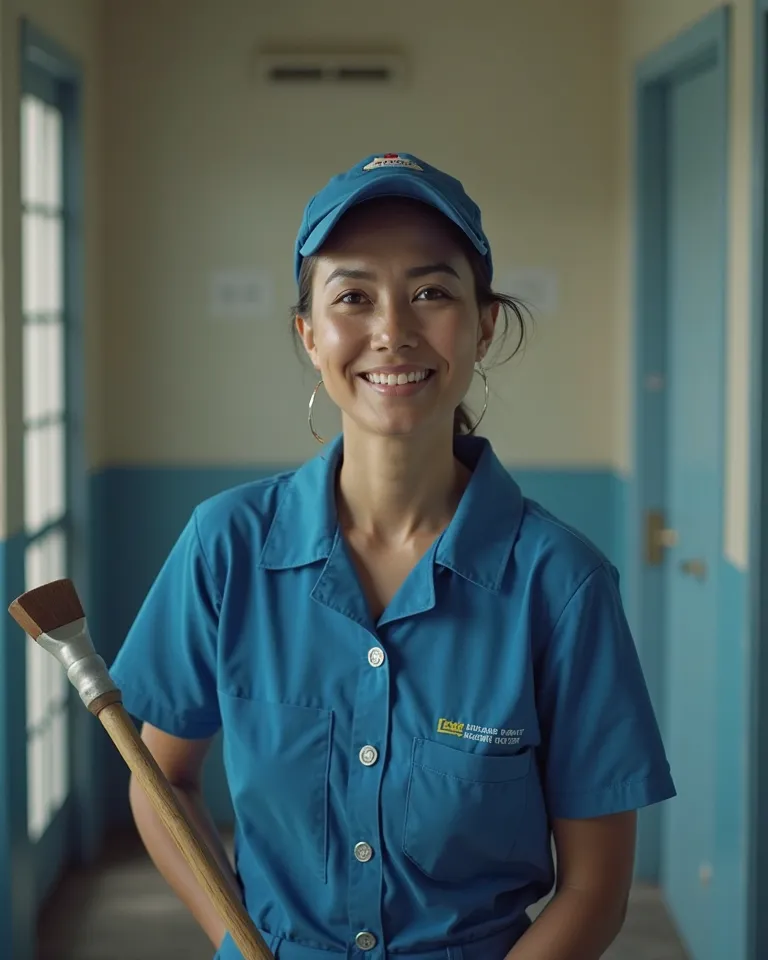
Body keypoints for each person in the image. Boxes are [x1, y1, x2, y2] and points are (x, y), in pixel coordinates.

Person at [108, 152, 676, 960]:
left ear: (483, 322)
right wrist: (236, 942)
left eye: (432, 292)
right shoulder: (225, 546)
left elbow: (594, 888)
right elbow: (161, 779)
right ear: (309, 334)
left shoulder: (563, 584)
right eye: (352, 296)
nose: (392, 331)